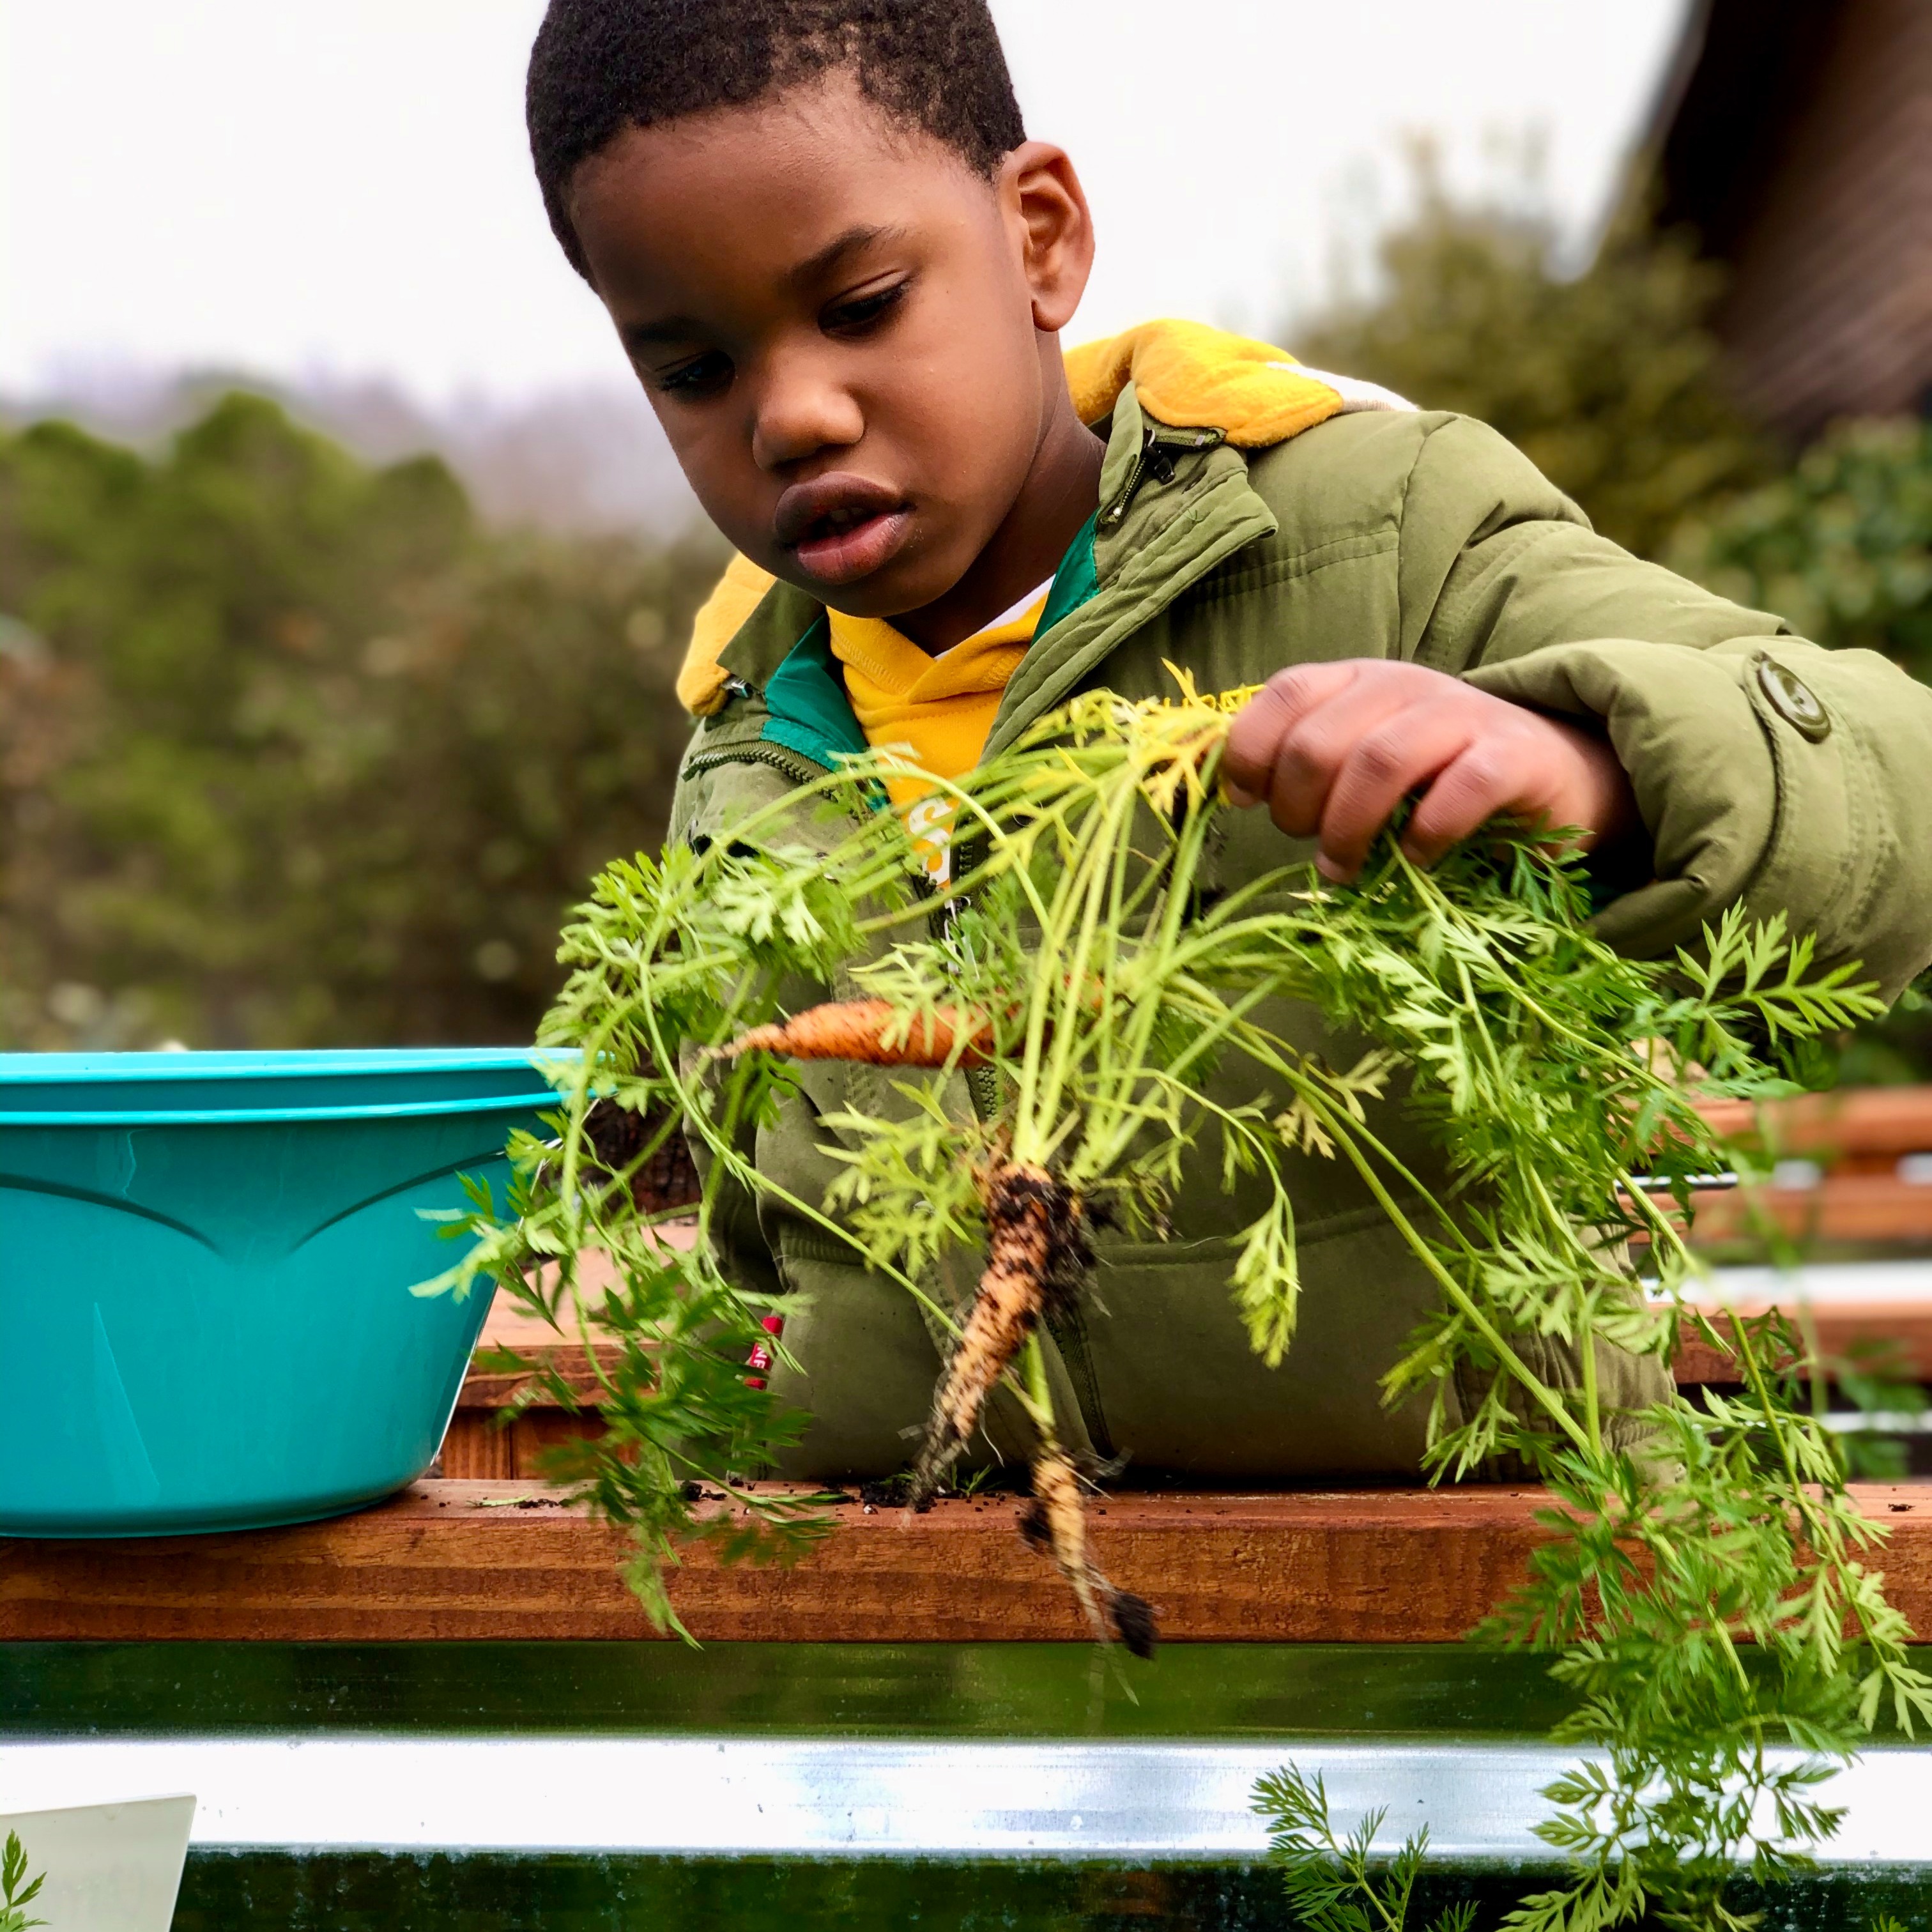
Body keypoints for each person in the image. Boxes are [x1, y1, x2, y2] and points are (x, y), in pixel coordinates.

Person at [523, 0, 1932, 1482]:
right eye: (693, 372)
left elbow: (1900, 791)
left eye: (864, 303)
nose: (793, 416)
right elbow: (773, 1254)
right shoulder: (746, 736)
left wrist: (1586, 761)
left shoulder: (1384, 528)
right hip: (965, 1661)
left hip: (1457, 1632)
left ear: (1040, 238)